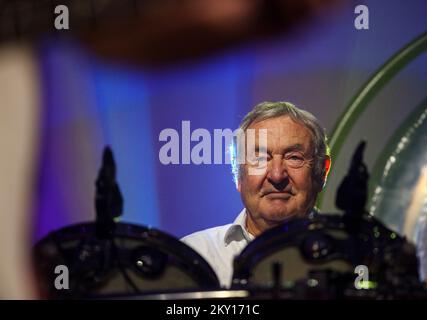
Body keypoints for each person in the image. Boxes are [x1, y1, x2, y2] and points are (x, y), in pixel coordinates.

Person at [181, 101, 331, 288]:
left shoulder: (356, 256)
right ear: (238, 174)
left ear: (321, 172)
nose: (277, 175)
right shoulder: (193, 255)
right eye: (259, 158)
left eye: (294, 157)